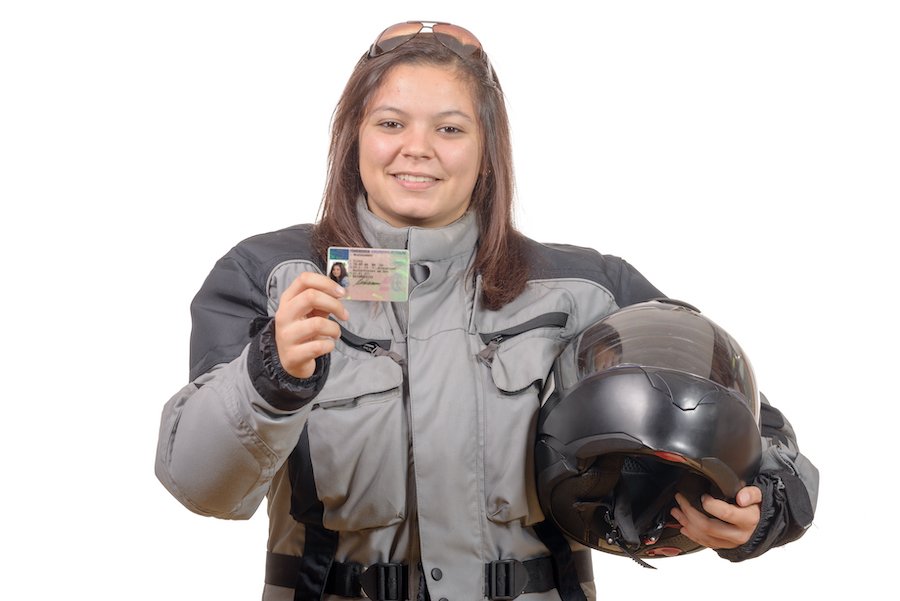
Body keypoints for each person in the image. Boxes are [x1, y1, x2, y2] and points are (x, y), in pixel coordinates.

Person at [155, 21, 818, 601]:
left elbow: (754, 430)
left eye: (450, 127)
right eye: (391, 123)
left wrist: (760, 510)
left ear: (486, 148)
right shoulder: (267, 278)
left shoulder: (586, 289)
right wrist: (270, 377)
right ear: (354, 135)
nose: (417, 148)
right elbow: (198, 483)